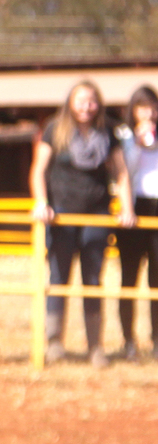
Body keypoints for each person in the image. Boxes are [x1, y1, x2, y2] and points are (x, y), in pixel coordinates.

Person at [29, 81, 135, 367]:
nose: (85, 106)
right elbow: (38, 170)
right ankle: (53, 343)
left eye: (91, 101)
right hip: (61, 214)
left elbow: (121, 173)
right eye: (80, 100)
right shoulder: (55, 129)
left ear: (98, 104)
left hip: (96, 214)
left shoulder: (108, 132)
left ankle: (95, 347)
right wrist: (41, 202)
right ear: (70, 103)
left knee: (92, 281)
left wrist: (127, 208)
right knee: (58, 278)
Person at [116, 85, 158, 360]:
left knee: (156, 283)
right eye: (143, 107)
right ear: (133, 110)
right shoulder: (124, 137)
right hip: (132, 211)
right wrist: (138, 143)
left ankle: (156, 342)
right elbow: (121, 174)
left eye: (153, 107)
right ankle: (128, 341)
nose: (149, 112)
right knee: (129, 279)